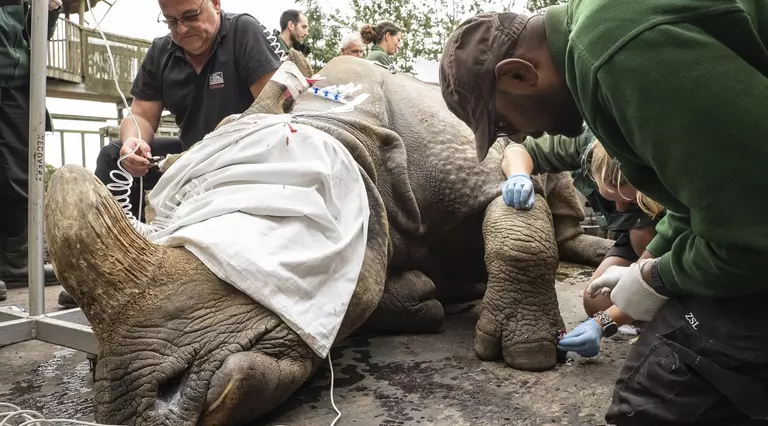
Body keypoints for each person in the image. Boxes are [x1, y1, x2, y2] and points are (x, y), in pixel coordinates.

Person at [440, 4, 768, 425]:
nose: (518, 135)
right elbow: (696, 207)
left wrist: (656, 276)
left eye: (504, 123)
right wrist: (644, 276)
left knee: (654, 403)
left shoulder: (614, 51)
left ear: (518, 74)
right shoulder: (593, 47)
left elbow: (751, 234)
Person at [70, 0, 281, 309]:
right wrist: (133, 142)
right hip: (191, 159)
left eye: (191, 16)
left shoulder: (243, 32)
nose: (182, 29)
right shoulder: (161, 52)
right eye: (171, 21)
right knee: (114, 154)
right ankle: (121, 264)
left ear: (215, 4)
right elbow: (141, 114)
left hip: (245, 156)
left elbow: (274, 108)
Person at [501, 131, 664, 317]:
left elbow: (677, 231)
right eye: (612, 200)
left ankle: (679, 309)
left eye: (631, 201)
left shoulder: (668, 160)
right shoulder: (584, 141)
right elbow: (520, 149)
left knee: (642, 239)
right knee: (596, 301)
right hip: (634, 230)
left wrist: (607, 321)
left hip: (678, 235)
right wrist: (518, 175)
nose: (619, 207)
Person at [0, 0, 63, 300]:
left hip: (17, 82)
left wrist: (48, 12)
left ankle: (14, 261)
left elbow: (30, 37)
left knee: (20, 173)